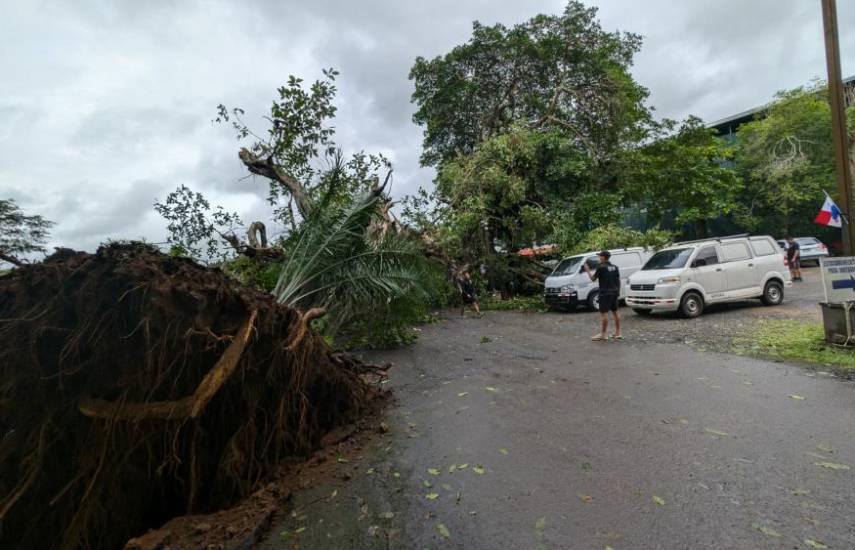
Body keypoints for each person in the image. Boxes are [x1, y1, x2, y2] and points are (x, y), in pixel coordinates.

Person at [583, 250, 622, 341]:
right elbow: (618, 280)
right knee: (615, 312)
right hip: (614, 292)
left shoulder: (601, 267)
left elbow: (593, 279)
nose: (599, 257)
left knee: (604, 313)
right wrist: (618, 292)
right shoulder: (615, 267)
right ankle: (618, 333)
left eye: (600, 256)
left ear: (603, 257)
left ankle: (603, 334)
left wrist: (587, 270)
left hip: (605, 293)